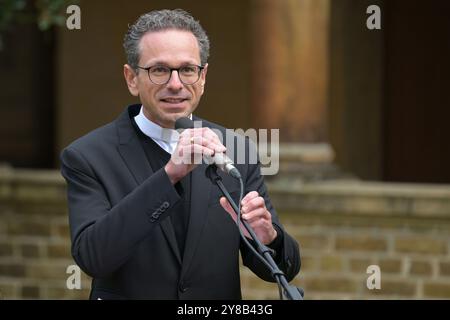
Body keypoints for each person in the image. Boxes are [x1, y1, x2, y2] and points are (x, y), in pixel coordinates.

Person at [60, 9, 300, 300]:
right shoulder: (87, 156)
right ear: (132, 78)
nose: (175, 84)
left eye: (187, 69)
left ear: (203, 77)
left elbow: (283, 268)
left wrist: (267, 238)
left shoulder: (236, 148)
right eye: (159, 70)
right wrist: (169, 175)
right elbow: (92, 257)